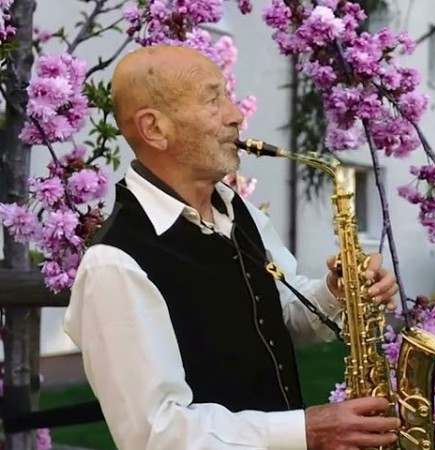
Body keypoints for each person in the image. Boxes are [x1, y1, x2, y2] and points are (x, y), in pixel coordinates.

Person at [64, 45, 402, 450]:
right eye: (213, 100)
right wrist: (306, 431)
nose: (235, 114)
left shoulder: (239, 213)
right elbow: (155, 433)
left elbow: (278, 320)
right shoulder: (114, 265)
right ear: (155, 128)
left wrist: (336, 293)